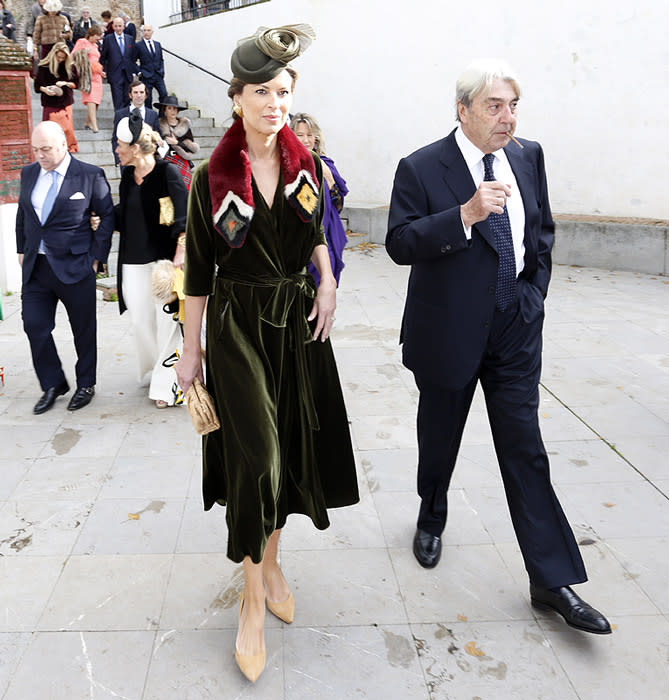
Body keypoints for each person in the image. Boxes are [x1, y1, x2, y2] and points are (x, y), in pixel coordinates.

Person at [386, 59, 611, 635]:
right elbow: (399, 242)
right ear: (462, 109)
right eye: (494, 106)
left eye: (512, 106)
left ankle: (550, 577)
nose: (506, 118)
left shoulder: (528, 155)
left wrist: (533, 295)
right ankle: (431, 514)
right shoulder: (421, 167)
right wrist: (462, 215)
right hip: (449, 332)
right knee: (439, 438)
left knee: (525, 449)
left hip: (514, 330)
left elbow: (542, 232)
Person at [174, 24, 358, 682]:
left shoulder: (302, 165)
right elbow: (197, 270)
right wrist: (188, 350)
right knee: (260, 458)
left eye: (281, 91)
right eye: (261, 91)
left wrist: (328, 280)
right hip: (236, 329)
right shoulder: (210, 176)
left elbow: (313, 232)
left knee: (288, 457)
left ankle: (272, 560)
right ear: (235, 99)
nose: (273, 102)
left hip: (295, 327)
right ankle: (251, 602)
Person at [16, 121, 113, 414]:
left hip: (76, 265)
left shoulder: (89, 175)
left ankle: (86, 384)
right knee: (34, 325)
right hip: (37, 267)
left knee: (83, 329)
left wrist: (97, 257)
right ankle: (53, 383)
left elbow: (106, 216)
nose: (40, 155)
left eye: (45, 149)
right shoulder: (28, 173)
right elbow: (23, 214)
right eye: (35, 149)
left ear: (63, 144)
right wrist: (21, 248)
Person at [114, 113, 188, 408]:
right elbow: (126, 213)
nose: (116, 150)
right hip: (132, 262)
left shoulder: (166, 173)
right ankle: (154, 370)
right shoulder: (126, 178)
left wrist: (181, 252)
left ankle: (168, 386)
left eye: (120, 145)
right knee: (141, 322)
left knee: (167, 324)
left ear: (135, 147)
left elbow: (183, 214)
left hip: (163, 262)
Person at [290, 113, 348, 286]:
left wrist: (329, 179)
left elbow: (338, 204)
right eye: (300, 135)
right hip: (297, 238)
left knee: (323, 285)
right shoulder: (286, 165)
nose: (306, 140)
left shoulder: (325, 163)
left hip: (326, 234)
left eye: (310, 135)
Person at [34, 42, 79, 153]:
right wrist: (45, 90)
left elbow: (76, 84)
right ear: (53, 54)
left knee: (67, 129)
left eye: (63, 58)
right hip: (49, 102)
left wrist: (65, 83)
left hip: (65, 102)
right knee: (49, 130)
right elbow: (37, 86)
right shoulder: (44, 66)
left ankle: (68, 149)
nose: (60, 60)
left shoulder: (70, 67)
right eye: (58, 57)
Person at [111, 80, 160, 165]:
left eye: (141, 92)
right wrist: (118, 159)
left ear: (146, 95)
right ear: (130, 95)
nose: (139, 95)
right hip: (128, 159)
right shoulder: (120, 114)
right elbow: (115, 138)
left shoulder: (153, 114)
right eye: (135, 92)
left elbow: (157, 135)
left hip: (147, 160)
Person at [155, 95, 199, 189]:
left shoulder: (185, 125)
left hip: (182, 160)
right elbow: (153, 144)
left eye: (175, 108)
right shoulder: (158, 125)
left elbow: (192, 148)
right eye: (169, 108)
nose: (173, 111)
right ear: (164, 110)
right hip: (165, 160)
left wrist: (176, 143)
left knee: (186, 189)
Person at [100, 16, 137, 111]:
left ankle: (127, 122)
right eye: (116, 26)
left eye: (120, 26)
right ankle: (118, 122)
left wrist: (133, 72)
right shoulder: (108, 39)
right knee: (117, 101)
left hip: (128, 74)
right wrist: (103, 70)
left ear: (124, 26)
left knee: (127, 100)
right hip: (115, 74)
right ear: (112, 27)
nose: (118, 28)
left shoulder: (130, 39)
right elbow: (103, 56)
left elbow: (133, 57)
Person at [73, 24, 103, 132]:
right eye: (97, 36)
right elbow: (73, 55)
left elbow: (97, 60)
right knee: (91, 99)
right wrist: (84, 52)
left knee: (97, 102)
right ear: (91, 34)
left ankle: (87, 122)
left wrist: (101, 71)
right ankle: (95, 126)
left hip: (97, 75)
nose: (98, 38)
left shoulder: (95, 46)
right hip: (87, 75)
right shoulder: (82, 42)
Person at [135, 24, 166, 107]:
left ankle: (161, 117)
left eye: (148, 30)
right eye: (144, 30)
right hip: (146, 76)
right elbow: (133, 61)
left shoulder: (157, 44)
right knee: (148, 98)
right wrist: (139, 72)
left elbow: (161, 59)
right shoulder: (138, 45)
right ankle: (150, 117)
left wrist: (162, 71)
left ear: (152, 32)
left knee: (164, 95)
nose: (146, 32)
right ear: (142, 32)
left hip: (158, 75)